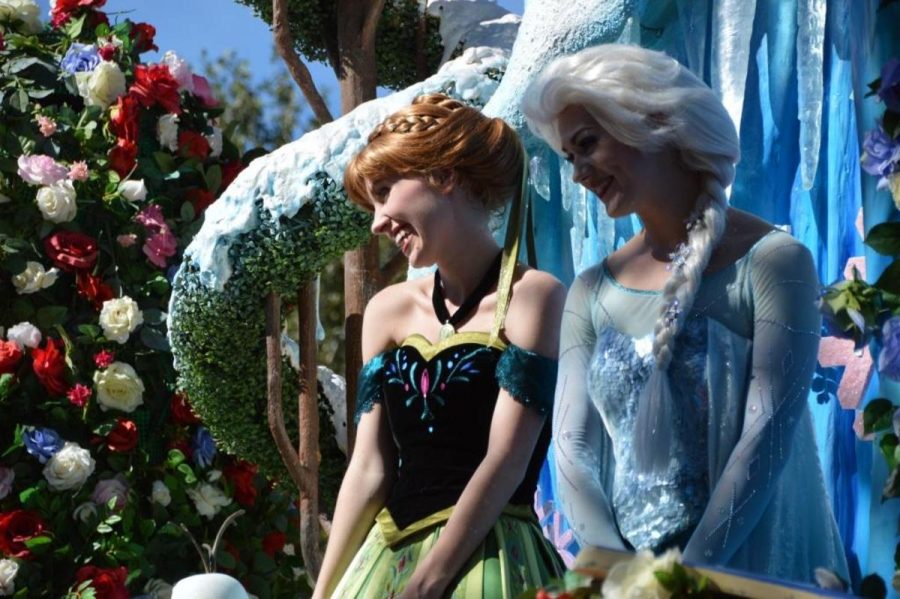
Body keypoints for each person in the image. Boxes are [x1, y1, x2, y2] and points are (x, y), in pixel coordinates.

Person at [521, 44, 849, 584]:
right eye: (568, 157)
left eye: (586, 144)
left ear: (653, 120)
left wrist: (688, 581)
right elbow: (573, 449)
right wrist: (623, 574)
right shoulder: (590, 291)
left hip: (754, 574)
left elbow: (767, 433)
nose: (578, 172)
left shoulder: (774, 262)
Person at [313, 93, 567, 599]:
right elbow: (369, 468)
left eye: (385, 192)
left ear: (443, 176)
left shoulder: (533, 296)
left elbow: (505, 461)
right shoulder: (387, 312)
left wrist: (426, 585)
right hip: (386, 560)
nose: (377, 221)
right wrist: (322, 594)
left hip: (491, 562)